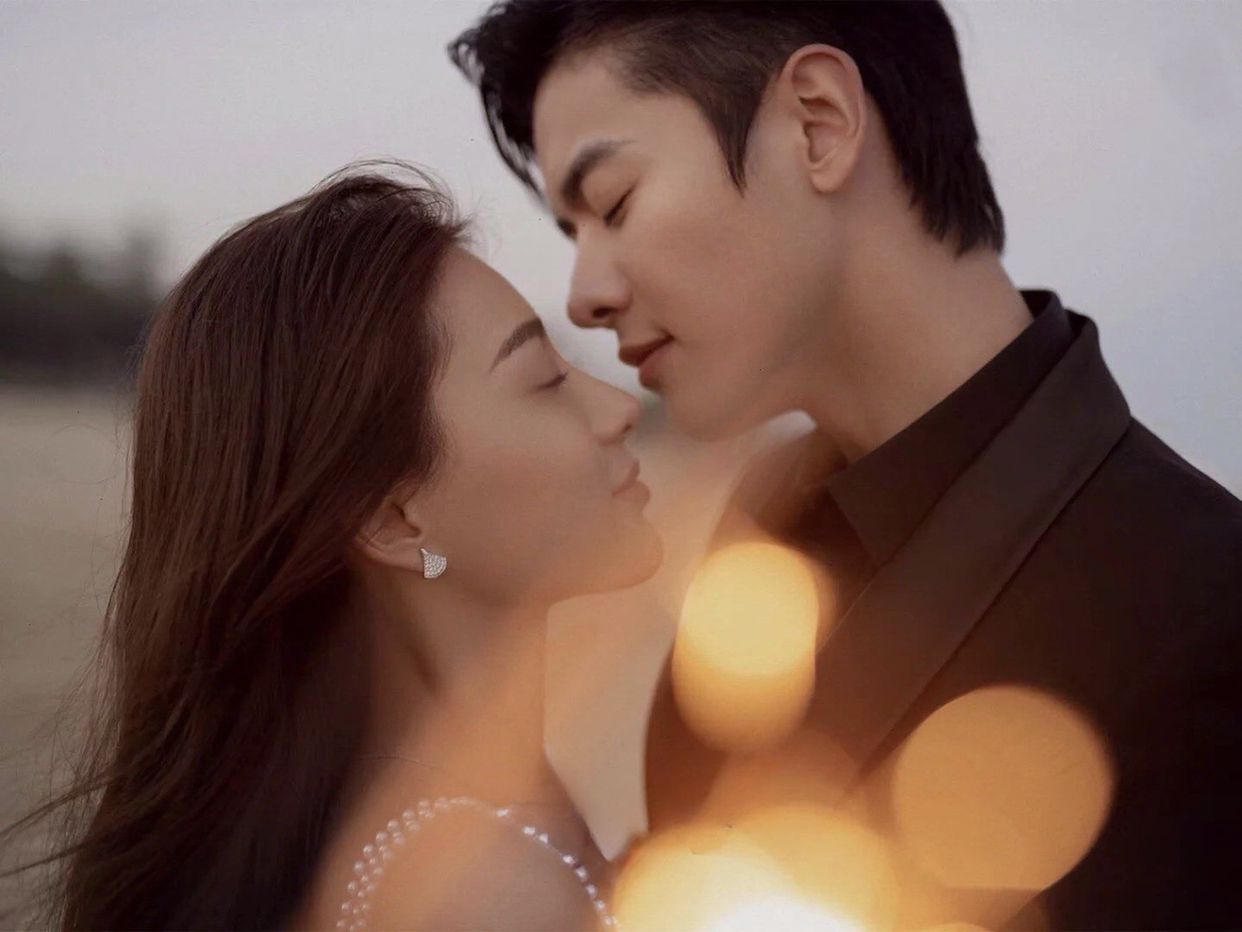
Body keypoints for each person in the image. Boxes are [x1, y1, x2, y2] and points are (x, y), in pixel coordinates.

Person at [450, 2, 1242, 928]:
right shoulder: (759, 540)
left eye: (615, 203)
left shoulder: (1208, 618)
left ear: (818, 123)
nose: (586, 293)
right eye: (575, 233)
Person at [6, 165, 661, 931]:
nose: (620, 408)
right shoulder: (493, 896)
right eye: (545, 381)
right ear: (394, 522)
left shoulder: (441, 830)